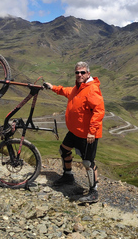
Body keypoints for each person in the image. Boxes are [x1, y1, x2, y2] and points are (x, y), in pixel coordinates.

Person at [43, 61, 105, 203]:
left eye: (82, 72)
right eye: (77, 72)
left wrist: (92, 131)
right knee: (64, 150)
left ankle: (94, 192)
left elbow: (99, 110)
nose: (79, 75)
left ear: (88, 73)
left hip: (87, 134)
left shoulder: (92, 89)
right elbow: (66, 91)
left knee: (88, 162)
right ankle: (68, 176)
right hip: (74, 131)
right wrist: (52, 87)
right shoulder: (78, 88)